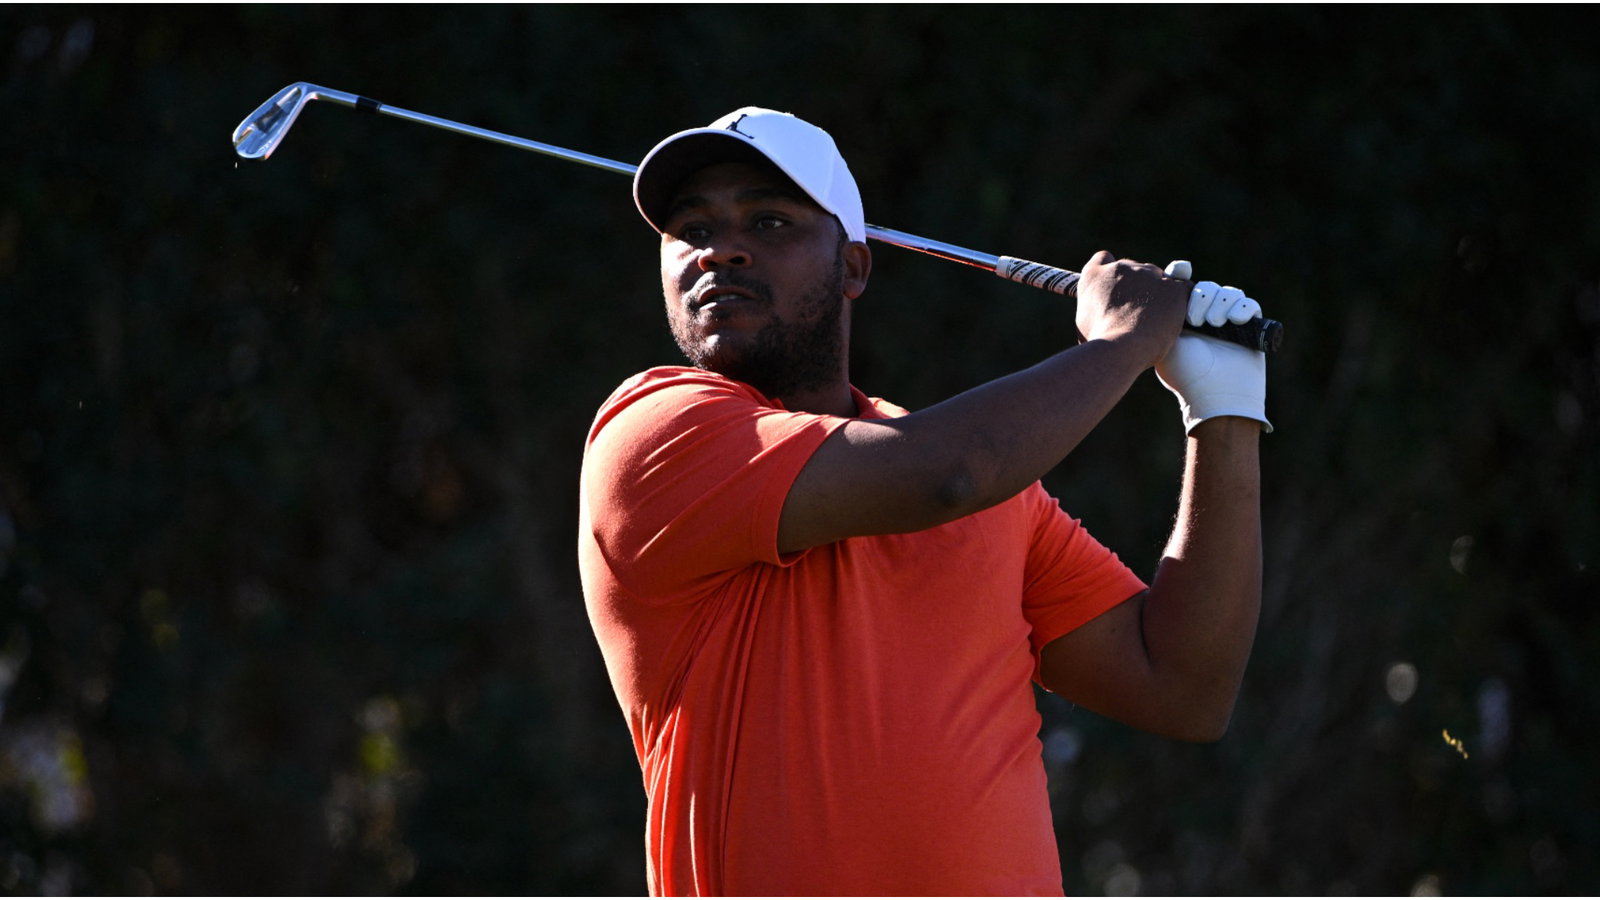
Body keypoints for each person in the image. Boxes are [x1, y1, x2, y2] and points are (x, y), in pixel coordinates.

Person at [578, 106, 1271, 897]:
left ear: (854, 267)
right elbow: (949, 472)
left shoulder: (990, 490)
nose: (720, 249)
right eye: (688, 228)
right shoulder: (654, 433)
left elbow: (1182, 688)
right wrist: (1120, 343)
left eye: (768, 220)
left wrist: (1224, 414)